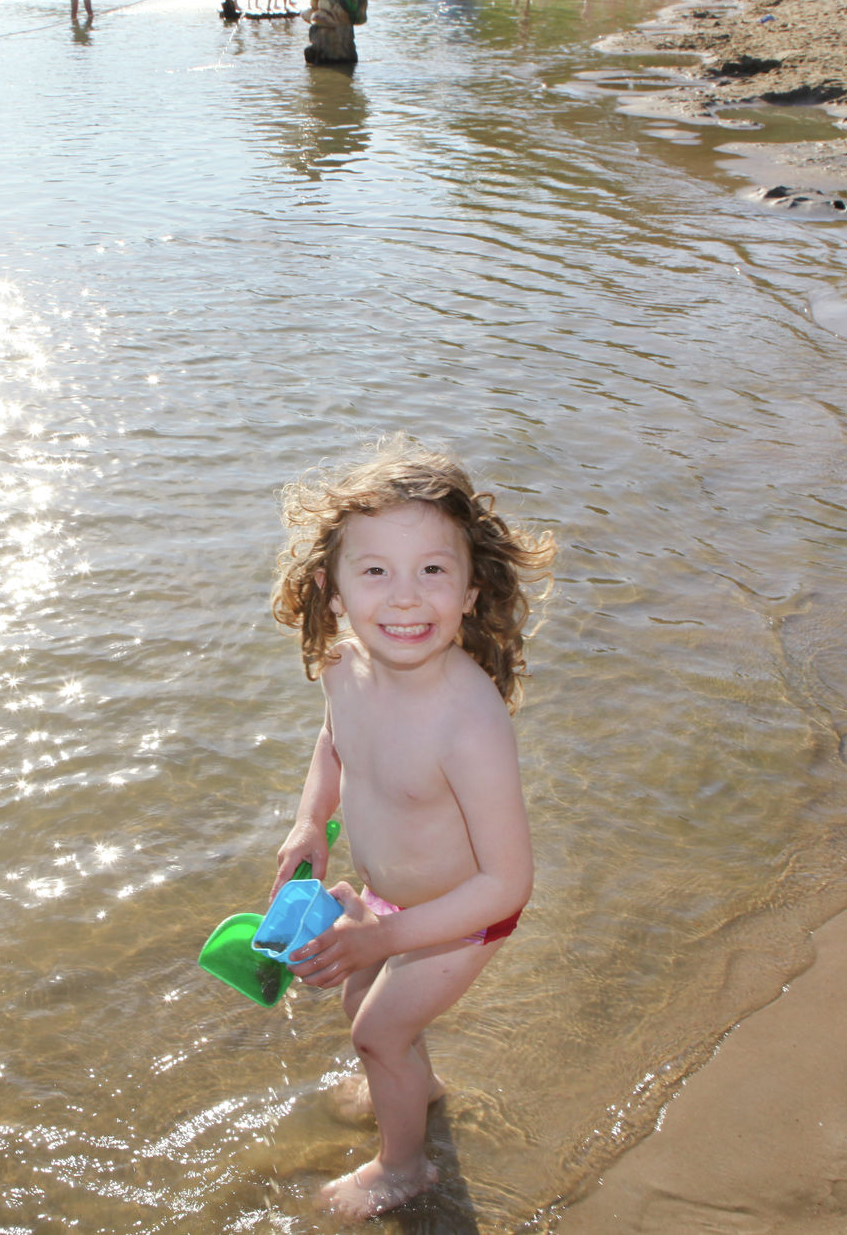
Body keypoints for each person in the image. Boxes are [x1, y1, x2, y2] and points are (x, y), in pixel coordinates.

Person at [267, 441, 552, 1222]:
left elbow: (508, 881)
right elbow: (333, 744)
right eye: (375, 571)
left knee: (375, 1028)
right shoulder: (341, 665)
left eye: (432, 569)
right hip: (392, 897)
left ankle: (405, 1167)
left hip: (464, 915)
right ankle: (415, 1085)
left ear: (471, 589)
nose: (405, 597)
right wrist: (310, 820)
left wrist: (389, 938)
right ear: (331, 589)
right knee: (365, 998)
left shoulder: (467, 717)